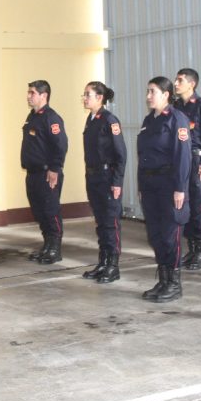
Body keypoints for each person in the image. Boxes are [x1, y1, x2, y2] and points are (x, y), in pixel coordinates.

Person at [137, 77, 191, 301]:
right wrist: (141, 185)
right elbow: (143, 157)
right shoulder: (149, 120)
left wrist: (180, 188)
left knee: (170, 235)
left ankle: (174, 283)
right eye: (148, 91)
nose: (149, 96)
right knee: (156, 235)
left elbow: (183, 156)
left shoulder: (177, 119)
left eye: (153, 92)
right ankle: (163, 279)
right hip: (150, 186)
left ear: (166, 94)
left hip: (169, 185)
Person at [81, 81, 127, 284]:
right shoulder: (91, 119)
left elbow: (121, 154)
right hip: (93, 177)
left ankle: (113, 266)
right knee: (100, 222)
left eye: (87, 95)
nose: (84, 98)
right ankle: (103, 261)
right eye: (84, 95)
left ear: (100, 97)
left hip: (108, 178)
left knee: (110, 222)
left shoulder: (110, 120)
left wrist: (117, 182)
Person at [173, 68, 201, 270]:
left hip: (195, 160)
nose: (176, 83)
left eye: (180, 80)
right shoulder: (174, 107)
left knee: (197, 206)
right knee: (184, 206)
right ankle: (191, 249)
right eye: (176, 79)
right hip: (179, 161)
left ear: (192, 84)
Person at [21, 80, 68, 264]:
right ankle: (47, 246)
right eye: (29, 92)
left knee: (51, 211)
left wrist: (55, 169)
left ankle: (55, 249)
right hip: (33, 174)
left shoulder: (51, 117)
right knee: (40, 212)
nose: (28, 96)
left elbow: (61, 145)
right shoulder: (32, 116)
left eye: (32, 93)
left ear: (44, 95)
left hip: (47, 173)